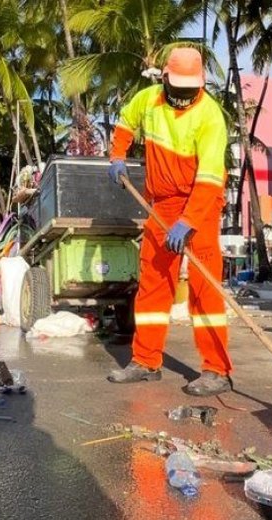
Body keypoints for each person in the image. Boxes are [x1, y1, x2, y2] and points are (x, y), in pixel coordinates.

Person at [105, 47, 232, 396]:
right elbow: (124, 124)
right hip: (161, 206)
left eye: (191, 90)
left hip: (200, 205)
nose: (184, 97)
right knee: (154, 283)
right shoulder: (148, 101)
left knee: (205, 288)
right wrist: (117, 155)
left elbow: (209, 179)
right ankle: (145, 362)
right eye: (178, 90)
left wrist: (189, 221)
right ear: (164, 79)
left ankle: (217, 370)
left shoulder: (210, 116)